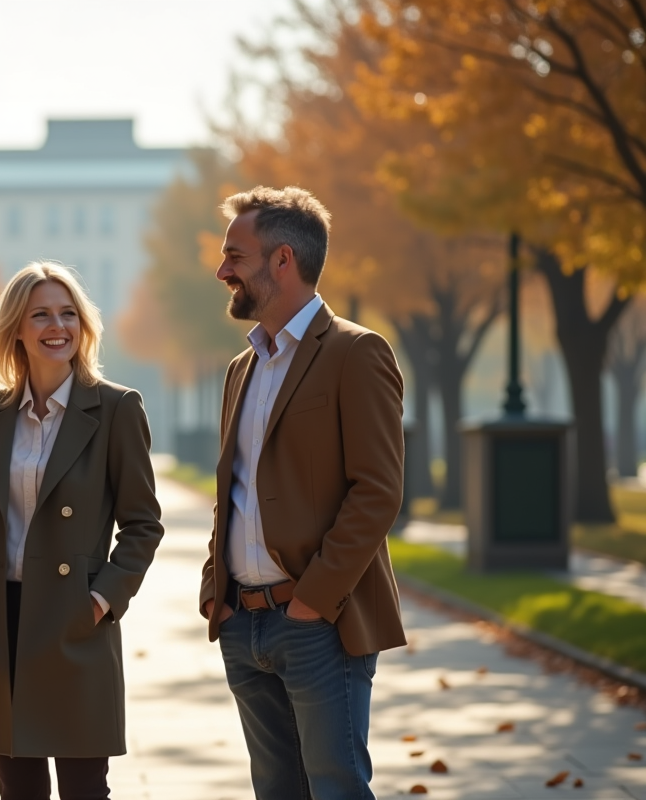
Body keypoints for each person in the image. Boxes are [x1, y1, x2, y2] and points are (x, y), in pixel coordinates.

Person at [198, 186, 406, 799]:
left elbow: (378, 491)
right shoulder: (243, 367)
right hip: (243, 622)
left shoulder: (356, 353)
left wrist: (313, 600)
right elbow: (231, 489)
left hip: (319, 623)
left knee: (336, 788)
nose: (222, 270)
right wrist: (219, 593)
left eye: (235, 255)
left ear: (282, 260)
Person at [0, 261, 164, 800]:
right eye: (40, 314)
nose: (56, 326)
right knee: (18, 789)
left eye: (68, 314)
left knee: (85, 788)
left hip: (72, 620)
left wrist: (101, 599)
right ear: (17, 328)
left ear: (83, 326)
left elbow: (142, 524)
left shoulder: (115, 408)